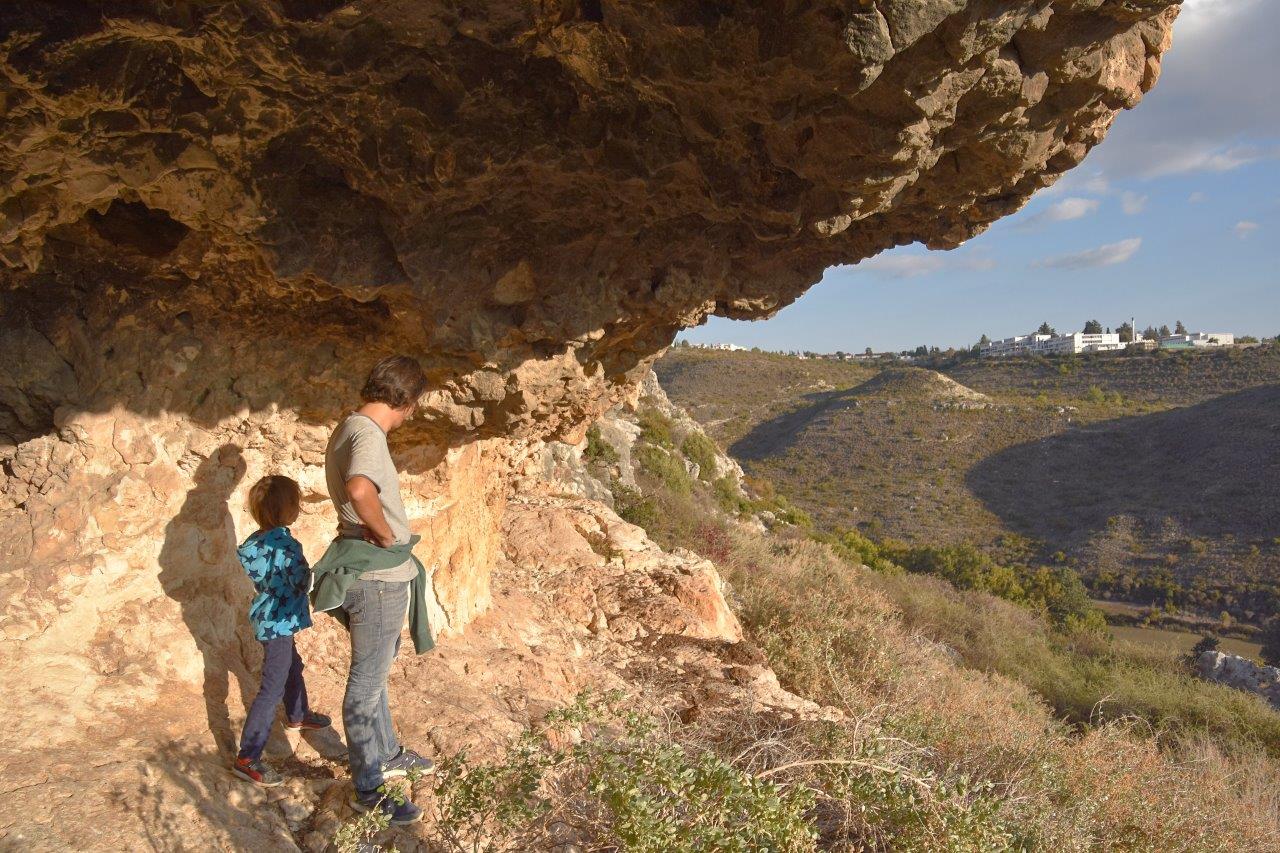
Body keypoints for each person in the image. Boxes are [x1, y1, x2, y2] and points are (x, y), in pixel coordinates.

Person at [310, 355, 436, 826]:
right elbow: (361, 489)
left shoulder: (349, 426)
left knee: (375, 670)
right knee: (366, 682)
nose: (412, 415)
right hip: (377, 579)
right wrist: (385, 535)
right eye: (414, 405)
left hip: (365, 572)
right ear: (405, 399)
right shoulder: (367, 433)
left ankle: (387, 751)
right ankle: (368, 788)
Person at [232, 475, 331, 786]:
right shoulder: (286, 544)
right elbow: (301, 581)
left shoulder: (255, 541)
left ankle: (298, 713)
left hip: (268, 615)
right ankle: (247, 757)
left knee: (292, 666)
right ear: (288, 509)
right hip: (280, 620)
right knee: (271, 686)